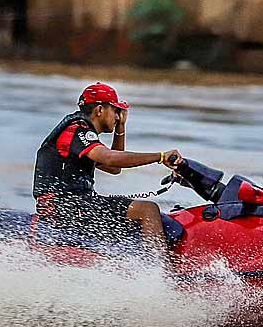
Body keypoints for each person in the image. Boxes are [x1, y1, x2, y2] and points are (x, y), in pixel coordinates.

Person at [33, 82, 182, 253]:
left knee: (133, 214)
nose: (118, 116)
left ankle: (129, 259)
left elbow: (114, 168)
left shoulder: (80, 135)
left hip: (70, 204)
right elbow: (110, 159)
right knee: (148, 210)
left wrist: (121, 127)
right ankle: (154, 269)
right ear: (99, 110)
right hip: (65, 205)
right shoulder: (77, 131)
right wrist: (161, 157)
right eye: (115, 111)